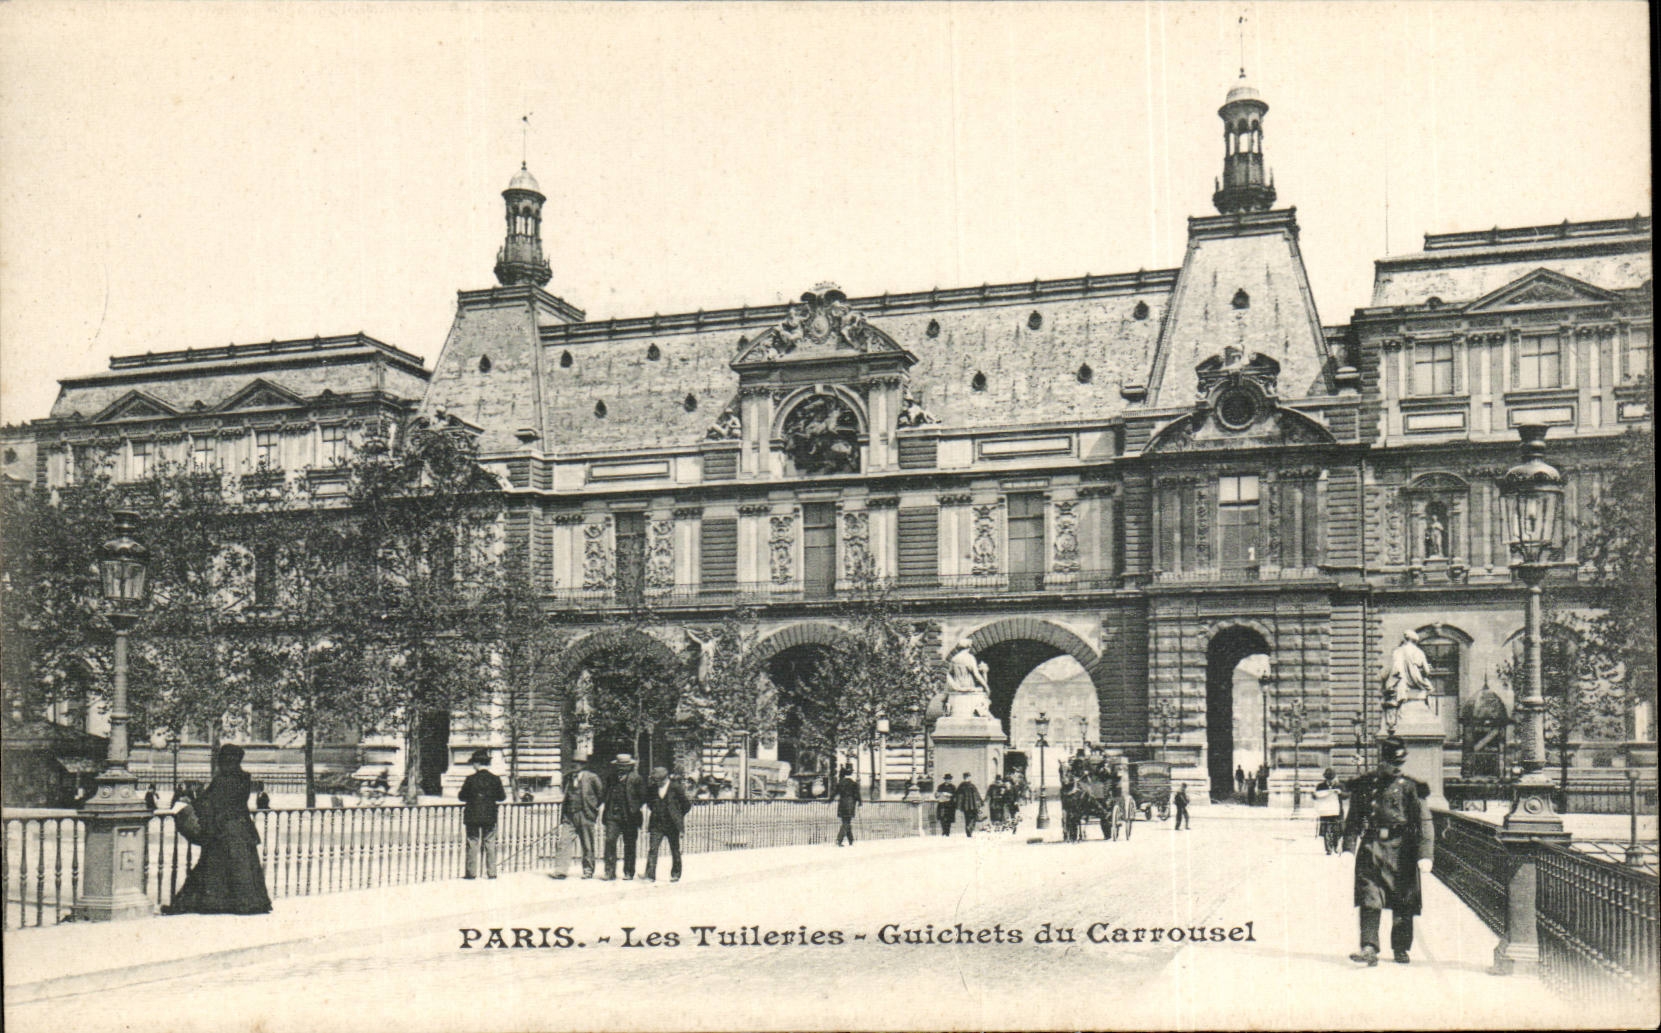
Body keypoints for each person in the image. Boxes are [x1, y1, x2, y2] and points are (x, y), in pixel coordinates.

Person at [1342, 736, 1434, 966]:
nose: (1395, 768)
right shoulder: (1365, 784)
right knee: (1369, 897)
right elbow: (1353, 818)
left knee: (1403, 900)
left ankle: (1401, 948)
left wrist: (1425, 854)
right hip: (1372, 846)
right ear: (1382, 760)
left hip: (1402, 848)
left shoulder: (1411, 788)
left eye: (1399, 764)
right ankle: (1369, 948)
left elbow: (1424, 821)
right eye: (1391, 762)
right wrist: (1348, 848)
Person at [163, 744, 272, 915]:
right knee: (243, 868)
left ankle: (205, 903)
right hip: (242, 828)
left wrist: (189, 801)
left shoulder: (222, 779)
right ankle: (247, 903)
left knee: (210, 866)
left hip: (222, 829)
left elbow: (210, 802)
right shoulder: (244, 778)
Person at [458, 748, 506, 880]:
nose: (473, 765)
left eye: (473, 763)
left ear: (477, 763)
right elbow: (502, 797)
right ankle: (492, 872)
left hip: (472, 816)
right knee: (490, 842)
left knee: (472, 842)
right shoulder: (495, 779)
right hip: (490, 815)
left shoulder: (470, 779)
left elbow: (461, 796)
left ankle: (471, 873)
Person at [556, 753, 604, 879]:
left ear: (583, 765)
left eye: (578, 763)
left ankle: (588, 870)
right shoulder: (568, 778)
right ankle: (561, 871)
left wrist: (591, 809)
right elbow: (566, 795)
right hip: (569, 816)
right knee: (563, 842)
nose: (574, 765)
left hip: (585, 814)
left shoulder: (592, 778)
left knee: (587, 844)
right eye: (573, 762)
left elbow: (601, 795)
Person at [601, 753, 645, 880]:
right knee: (609, 841)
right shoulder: (611, 778)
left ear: (630, 767)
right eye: (619, 766)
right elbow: (605, 793)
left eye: (624, 766)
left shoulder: (636, 779)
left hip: (630, 817)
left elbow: (642, 797)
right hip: (612, 816)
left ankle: (629, 871)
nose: (621, 768)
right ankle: (609, 872)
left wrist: (634, 807)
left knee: (630, 844)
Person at [643, 767, 690, 882]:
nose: (656, 782)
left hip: (672, 825)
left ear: (665, 779)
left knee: (675, 849)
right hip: (657, 823)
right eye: (655, 780)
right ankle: (650, 875)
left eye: (658, 780)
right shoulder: (653, 788)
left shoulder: (676, 787)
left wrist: (677, 815)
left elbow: (686, 804)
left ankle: (675, 874)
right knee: (653, 849)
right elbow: (650, 803)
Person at [1313, 768, 1343, 855]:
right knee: (1326, 830)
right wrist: (1314, 795)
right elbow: (1316, 797)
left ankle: (1336, 845)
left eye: (1331, 779)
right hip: (1325, 812)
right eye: (1328, 779)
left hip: (1337, 812)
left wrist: (1340, 793)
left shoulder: (1339, 786)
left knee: (1337, 829)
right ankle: (1328, 849)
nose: (1330, 781)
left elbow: (1346, 795)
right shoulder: (1320, 786)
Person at [832, 765, 862, 846]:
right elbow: (857, 794)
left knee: (845, 821)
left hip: (842, 803)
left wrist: (829, 800)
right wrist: (860, 802)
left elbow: (834, 793)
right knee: (846, 822)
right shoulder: (853, 783)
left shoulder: (840, 783)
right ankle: (839, 840)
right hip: (850, 803)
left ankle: (851, 840)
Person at [954, 771, 983, 838]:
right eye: (966, 777)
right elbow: (958, 796)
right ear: (965, 778)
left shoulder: (970, 786)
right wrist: (959, 805)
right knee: (970, 818)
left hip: (971, 805)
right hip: (968, 805)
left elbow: (977, 795)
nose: (967, 778)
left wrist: (979, 802)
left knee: (971, 818)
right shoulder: (964, 786)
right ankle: (969, 830)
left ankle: (969, 830)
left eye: (968, 777)